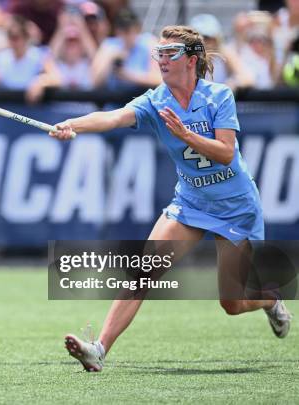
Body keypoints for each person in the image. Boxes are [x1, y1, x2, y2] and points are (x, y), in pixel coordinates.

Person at [50, 25, 293, 372]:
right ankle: (98, 349)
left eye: (170, 54)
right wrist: (72, 123)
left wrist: (184, 134)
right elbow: (114, 116)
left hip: (236, 210)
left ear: (192, 59)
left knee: (232, 303)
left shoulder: (219, 96)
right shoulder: (155, 99)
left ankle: (269, 300)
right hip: (190, 204)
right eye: (158, 54)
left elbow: (225, 153)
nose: (162, 60)